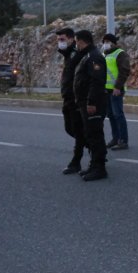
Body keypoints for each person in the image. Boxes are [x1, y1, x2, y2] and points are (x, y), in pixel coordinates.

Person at [73, 30, 108, 181]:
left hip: (93, 104)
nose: (76, 45)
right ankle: (93, 165)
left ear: (81, 41)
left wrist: (91, 102)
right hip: (84, 103)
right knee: (90, 134)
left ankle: (99, 168)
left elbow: (97, 81)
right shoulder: (87, 56)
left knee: (95, 135)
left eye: (76, 42)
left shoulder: (94, 57)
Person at [55, 28, 87, 175]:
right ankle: (94, 147)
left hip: (75, 98)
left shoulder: (75, 54)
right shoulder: (68, 54)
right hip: (68, 97)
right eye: (58, 40)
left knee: (78, 130)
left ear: (71, 39)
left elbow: (78, 77)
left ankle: (76, 162)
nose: (59, 42)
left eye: (62, 40)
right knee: (70, 129)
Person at [102, 33, 131, 150]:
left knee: (118, 115)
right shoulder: (105, 55)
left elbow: (124, 71)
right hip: (107, 90)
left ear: (113, 43)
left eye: (107, 42)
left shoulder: (120, 54)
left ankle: (123, 141)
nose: (105, 44)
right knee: (111, 115)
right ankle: (115, 138)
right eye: (104, 42)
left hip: (116, 90)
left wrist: (118, 87)